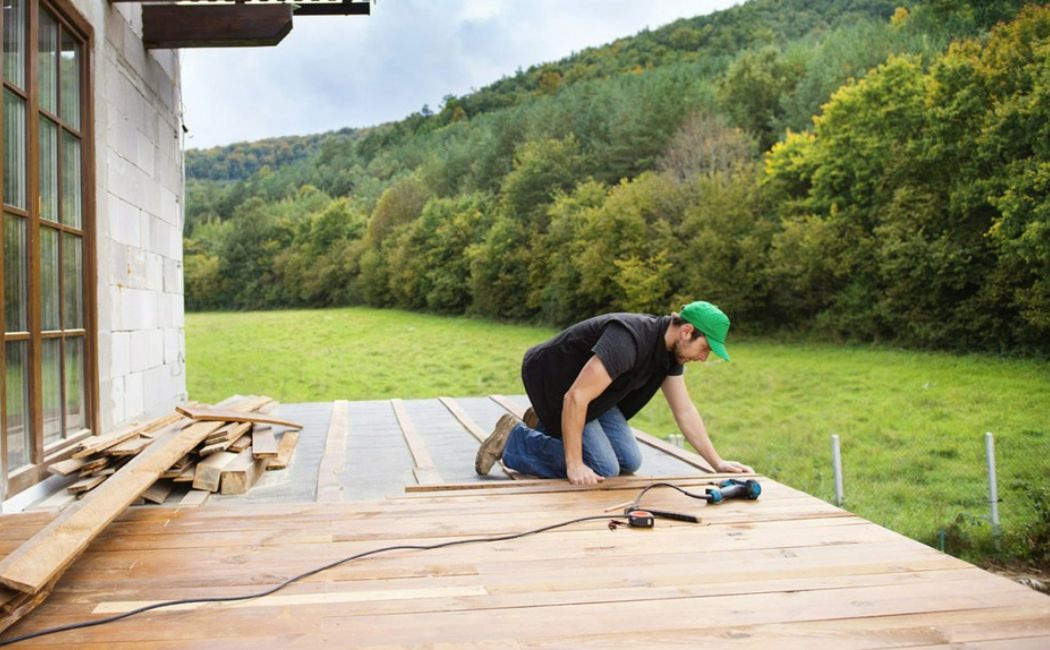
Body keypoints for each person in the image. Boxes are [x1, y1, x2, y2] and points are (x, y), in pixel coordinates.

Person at [475, 301, 753, 485]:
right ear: (687, 331)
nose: (704, 358)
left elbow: (685, 411)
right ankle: (514, 439)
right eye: (705, 349)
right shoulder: (629, 340)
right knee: (603, 466)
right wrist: (573, 464)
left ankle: (548, 425)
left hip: (594, 395)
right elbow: (575, 397)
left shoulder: (670, 355)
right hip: (555, 381)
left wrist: (717, 463)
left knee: (629, 461)